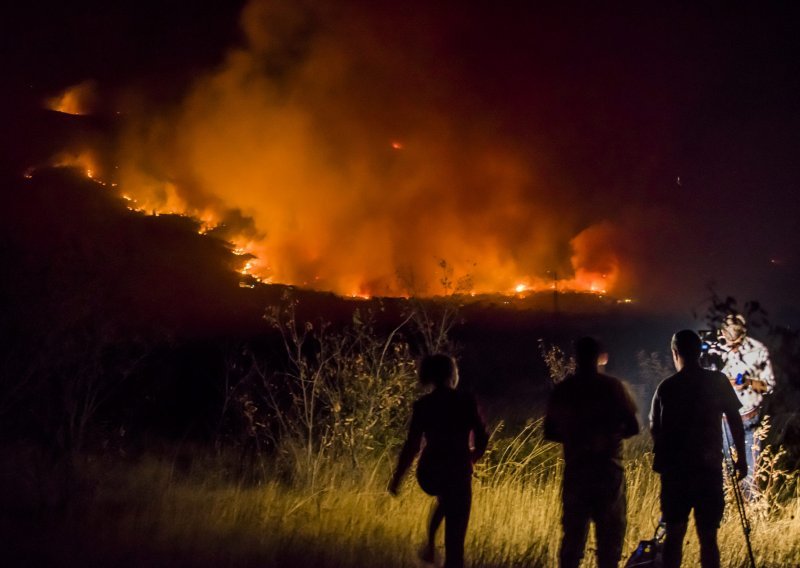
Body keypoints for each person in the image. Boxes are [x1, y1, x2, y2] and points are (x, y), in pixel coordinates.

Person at [650, 330, 748, 568]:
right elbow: (735, 420)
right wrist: (741, 459)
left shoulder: (667, 388)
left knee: (674, 536)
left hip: (676, 475)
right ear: (699, 352)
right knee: (708, 539)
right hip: (708, 470)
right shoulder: (717, 382)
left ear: (675, 353)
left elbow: (656, 430)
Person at [544, 337, 640, 568]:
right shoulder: (613, 387)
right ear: (599, 357)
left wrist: (576, 438)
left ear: (576, 357)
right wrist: (609, 438)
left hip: (578, 471)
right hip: (609, 472)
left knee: (573, 541)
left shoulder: (565, 389)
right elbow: (633, 426)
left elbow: (549, 431)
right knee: (609, 544)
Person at [388, 354, 488, 568]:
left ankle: (431, 547)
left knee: (445, 500)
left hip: (430, 472)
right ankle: (444, 556)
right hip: (458, 471)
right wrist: (472, 456)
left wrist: (397, 478)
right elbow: (482, 437)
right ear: (453, 374)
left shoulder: (423, 405)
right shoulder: (466, 401)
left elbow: (412, 446)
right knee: (455, 539)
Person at [716, 314, 775, 483]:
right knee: (723, 472)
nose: (732, 345)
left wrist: (748, 382)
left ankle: (751, 505)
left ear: (743, 333)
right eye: (728, 338)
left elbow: (769, 386)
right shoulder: (716, 350)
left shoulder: (758, 351)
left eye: (736, 341)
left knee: (749, 476)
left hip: (749, 420)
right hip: (724, 421)